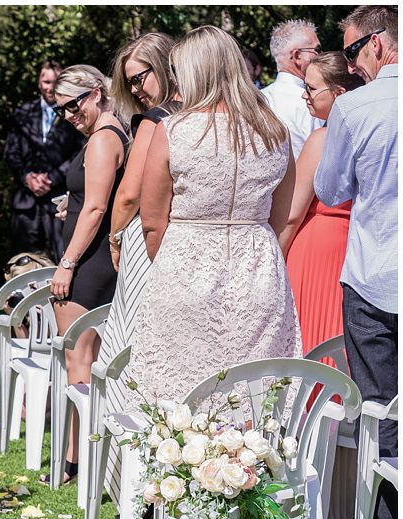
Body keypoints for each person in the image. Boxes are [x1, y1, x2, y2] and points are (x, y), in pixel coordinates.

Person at [127, 26, 300, 407]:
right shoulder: (276, 133)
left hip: (186, 265)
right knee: (253, 392)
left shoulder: (174, 130)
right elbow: (282, 217)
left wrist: (175, 264)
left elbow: (152, 220)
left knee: (179, 394)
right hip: (258, 271)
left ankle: (179, 464)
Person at [314, 5, 398, 519]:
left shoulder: (355, 107)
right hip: (377, 273)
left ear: (378, 45)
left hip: (375, 276)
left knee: (384, 414)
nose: (348, 64)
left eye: (350, 52)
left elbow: (331, 186)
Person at [49, 65, 128, 483]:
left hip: (89, 263)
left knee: (77, 361)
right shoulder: (119, 133)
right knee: (90, 360)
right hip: (97, 257)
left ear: (96, 93)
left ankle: (74, 461)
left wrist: (66, 264)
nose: (68, 115)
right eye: (60, 109)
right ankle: (88, 457)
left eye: (73, 104)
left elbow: (97, 209)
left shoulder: (102, 139)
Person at [104, 32, 179, 422]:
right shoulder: (198, 113)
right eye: (129, 82)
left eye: (139, 78)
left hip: (145, 235)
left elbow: (130, 195)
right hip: (180, 238)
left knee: (132, 334)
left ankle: (125, 430)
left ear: (165, 66)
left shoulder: (157, 120)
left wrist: (115, 237)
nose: (136, 89)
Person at [280, 53, 364, 356]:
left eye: (312, 89)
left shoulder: (322, 139)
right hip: (353, 249)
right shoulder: (369, 132)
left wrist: (276, 257)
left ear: (338, 94)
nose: (305, 95)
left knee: (313, 336)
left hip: (315, 253)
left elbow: (291, 215)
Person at [3, 59, 81, 261]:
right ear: (39, 82)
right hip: (25, 200)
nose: (50, 87)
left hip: (57, 197)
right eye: (46, 82)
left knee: (61, 256)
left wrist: (52, 178)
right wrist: (27, 177)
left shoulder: (73, 113)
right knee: (24, 260)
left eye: (55, 82)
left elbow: (79, 152)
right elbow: (12, 151)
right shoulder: (23, 112)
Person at [260, 18, 323, 157]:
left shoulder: (258, 98)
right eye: (317, 50)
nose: (321, 55)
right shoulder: (311, 101)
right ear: (297, 56)